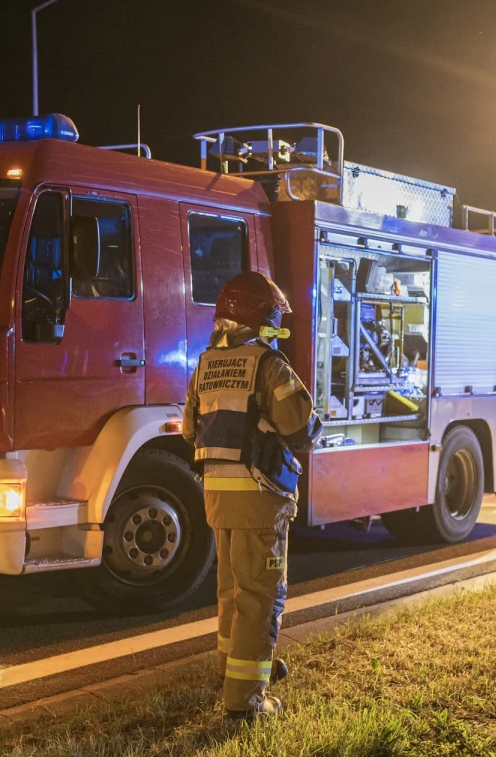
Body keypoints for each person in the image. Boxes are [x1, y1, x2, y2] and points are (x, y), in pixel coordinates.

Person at [182, 270, 322, 721]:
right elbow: (300, 427)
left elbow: (189, 430)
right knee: (260, 595)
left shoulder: (204, 365)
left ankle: (234, 669)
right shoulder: (268, 365)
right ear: (257, 318)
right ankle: (245, 699)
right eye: (272, 317)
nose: (275, 325)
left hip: (218, 499)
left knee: (230, 591)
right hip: (260, 499)